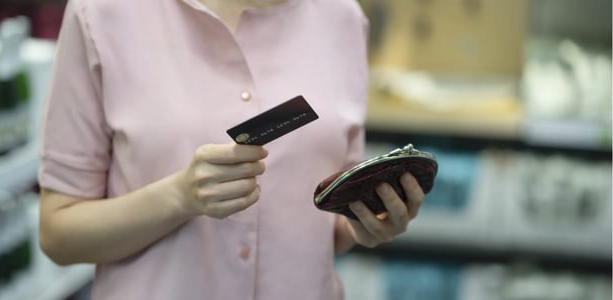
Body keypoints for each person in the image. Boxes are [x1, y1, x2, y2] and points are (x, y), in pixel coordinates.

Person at [37, 0, 426, 299]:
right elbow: (59, 233)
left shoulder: (341, 19)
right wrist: (178, 197)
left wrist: (365, 223)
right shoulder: (104, 14)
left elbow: (328, 225)